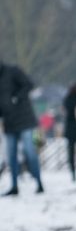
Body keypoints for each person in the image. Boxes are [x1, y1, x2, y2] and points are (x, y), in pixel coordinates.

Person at [0, 61, 45, 196]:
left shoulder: (13, 70)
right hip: (9, 122)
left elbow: (29, 84)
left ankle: (39, 183)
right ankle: (14, 186)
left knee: (30, 151)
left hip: (26, 120)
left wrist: (16, 98)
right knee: (11, 156)